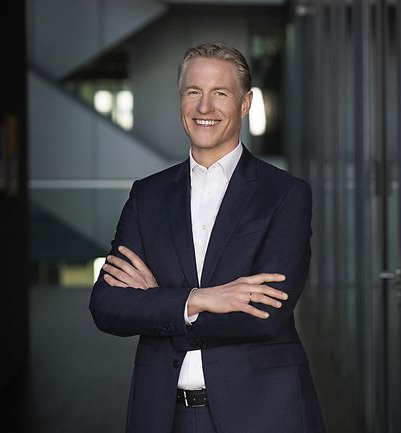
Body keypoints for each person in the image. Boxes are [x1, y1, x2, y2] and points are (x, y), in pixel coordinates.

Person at [89, 41, 325, 433]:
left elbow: (265, 315)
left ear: (245, 104)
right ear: (180, 100)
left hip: (263, 412)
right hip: (164, 415)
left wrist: (158, 302)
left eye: (220, 93)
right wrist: (199, 299)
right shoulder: (147, 196)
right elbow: (107, 305)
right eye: (193, 92)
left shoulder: (285, 194)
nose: (204, 107)